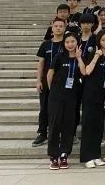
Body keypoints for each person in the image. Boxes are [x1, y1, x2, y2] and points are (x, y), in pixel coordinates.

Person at [46, 31, 86, 170]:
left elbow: (84, 72)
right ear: (64, 44)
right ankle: (53, 156)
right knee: (54, 125)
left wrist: (79, 57)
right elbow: (50, 74)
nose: (70, 44)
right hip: (56, 97)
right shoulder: (59, 56)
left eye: (73, 42)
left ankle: (64, 154)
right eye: (67, 42)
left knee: (68, 125)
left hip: (72, 96)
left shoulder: (80, 57)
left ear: (77, 43)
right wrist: (52, 91)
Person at [80, 30, 105, 168]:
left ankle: (96, 155)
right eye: (103, 40)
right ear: (99, 41)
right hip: (90, 94)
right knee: (88, 125)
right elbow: (87, 71)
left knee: (98, 126)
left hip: (103, 95)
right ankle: (87, 157)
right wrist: (96, 56)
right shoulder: (93, 53)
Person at [34, 18, 65, 147]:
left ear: (65, 28)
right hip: (46, 82)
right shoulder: (46, 44)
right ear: (52, 28)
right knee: (44, 108)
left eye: (61, 26)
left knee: (62, 108)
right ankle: (42, 133)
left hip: (63, 81)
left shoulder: (68, 43)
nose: (58, 28)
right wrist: (38, 81)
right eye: (56, 26)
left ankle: (62, 133)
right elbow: (40, 64)